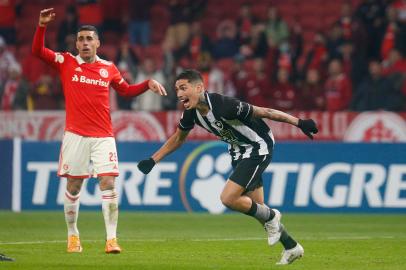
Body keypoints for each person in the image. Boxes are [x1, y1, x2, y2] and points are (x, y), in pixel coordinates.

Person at [137, 69, 318, 265]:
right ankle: (291, 247)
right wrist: (153, 159)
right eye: (177, 89)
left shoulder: (224, 105)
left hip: (258, 146)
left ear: (199, 87)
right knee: (259, 210)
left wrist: (299, 122)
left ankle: (273, 217)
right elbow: (178, 138)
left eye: (183, 88)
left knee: (229, 198)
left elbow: (266, 112)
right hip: (238, 150)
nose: (179, 94)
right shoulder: (191, 113)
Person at [32, 8, 167, 254]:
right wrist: (42, 26)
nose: (84, 43)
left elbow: (125, 90)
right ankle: (73, 235)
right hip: (75, 135)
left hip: (104, 136)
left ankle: (111, 239)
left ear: (97, 43)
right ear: (76, 43)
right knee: (74, 186)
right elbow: (37, 52)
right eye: (80, 39)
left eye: (89, 39)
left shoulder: (109, 68)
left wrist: (147, 84)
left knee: (109, 182)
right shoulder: (66, 61)